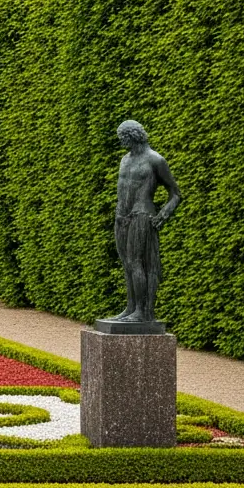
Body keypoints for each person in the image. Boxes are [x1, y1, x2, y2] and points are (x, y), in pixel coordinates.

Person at [95, 119, 181, 333]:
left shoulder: (155, 160)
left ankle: (143, 312)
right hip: (121, 217)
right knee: (127, 263)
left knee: (136, 262)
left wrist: (164, 214)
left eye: (122, 137)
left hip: (142, 215)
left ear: (132, 135)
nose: (120, 141)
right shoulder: (124, 159)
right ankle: (131, 308)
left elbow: (176, 193)